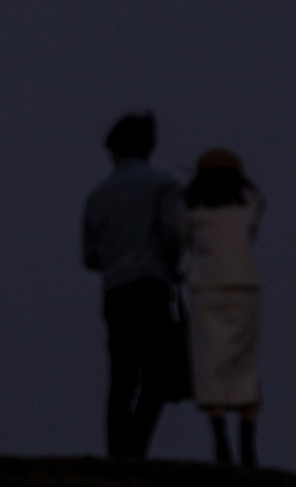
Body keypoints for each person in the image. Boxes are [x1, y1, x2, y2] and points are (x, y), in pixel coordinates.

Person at [83, 113, 191, 458]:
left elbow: (89, 255)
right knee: (156, 375)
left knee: (121, 376)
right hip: (152, 287)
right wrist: (171, 267)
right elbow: (174, 235)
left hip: (116, 292)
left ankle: (118, 454)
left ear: (114, 150)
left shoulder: (99, 195)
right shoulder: (164, 185)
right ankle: (136, 450)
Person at [181, 148, 266, 467]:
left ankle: (220, 442)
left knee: (210, 365)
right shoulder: (249, 202)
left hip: (206, 286)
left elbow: (183, 237)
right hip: (245, 283)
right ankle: (248, 442)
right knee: (245, 364)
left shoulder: (191, 204)